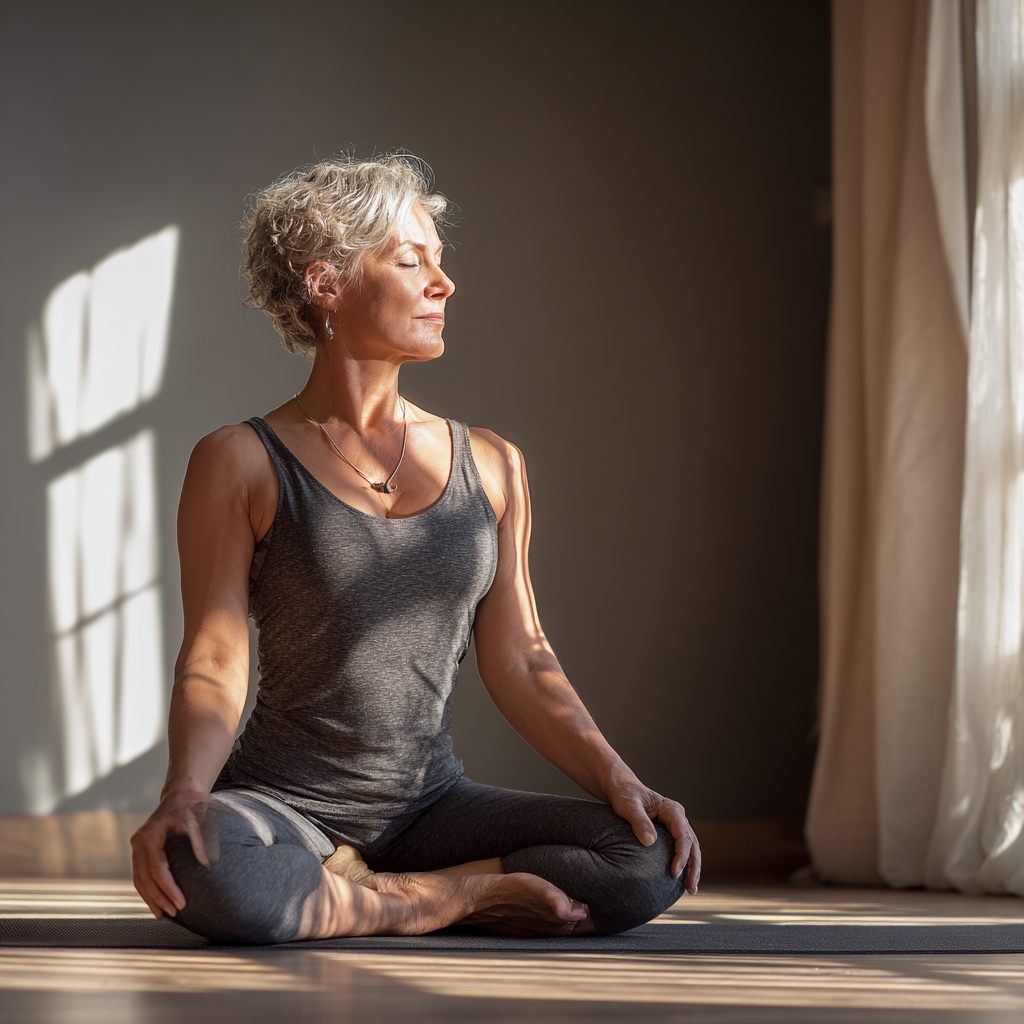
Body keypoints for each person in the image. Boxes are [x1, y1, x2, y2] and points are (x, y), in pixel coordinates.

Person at [131, 154, 701, 945]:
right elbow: (213, 656)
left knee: (647, 859)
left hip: (434, 807)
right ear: (325, 283)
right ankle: (450, 901)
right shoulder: (240, 459)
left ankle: (378, 893)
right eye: (411, 259)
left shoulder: (494, 463)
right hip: (286, 805)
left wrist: (622, 781)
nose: (444, 282)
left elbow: (523, 661)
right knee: (211, 867)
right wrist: (187, 791)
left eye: (440, 259)